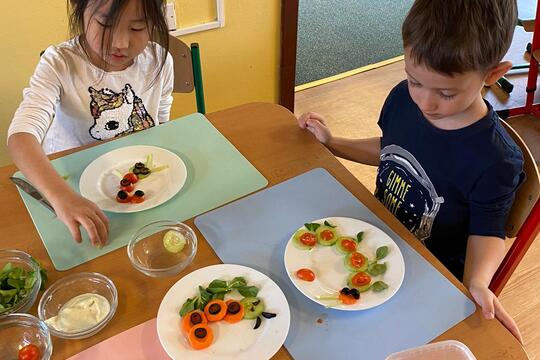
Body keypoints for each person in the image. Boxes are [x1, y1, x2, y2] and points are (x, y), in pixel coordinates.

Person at [297, 0, 524, 342]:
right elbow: (391, 151)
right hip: (375, 238)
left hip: (429, 270)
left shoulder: (496, 159)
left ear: (493, 74)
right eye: (415, 81)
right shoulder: (403, 98)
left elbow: (488, 232)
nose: (425, 103)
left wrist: (477, 282)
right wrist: (333, 142)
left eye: (446, 93)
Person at [8, 0, 173, 248]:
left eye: (137, 28)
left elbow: (161, 121)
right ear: (78, 6)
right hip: (67, 185)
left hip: (131, 182)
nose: (120, 43)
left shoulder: (159, 60)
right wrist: (61, 196)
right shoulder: (60, 63)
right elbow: (21, 135)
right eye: (105, 24)